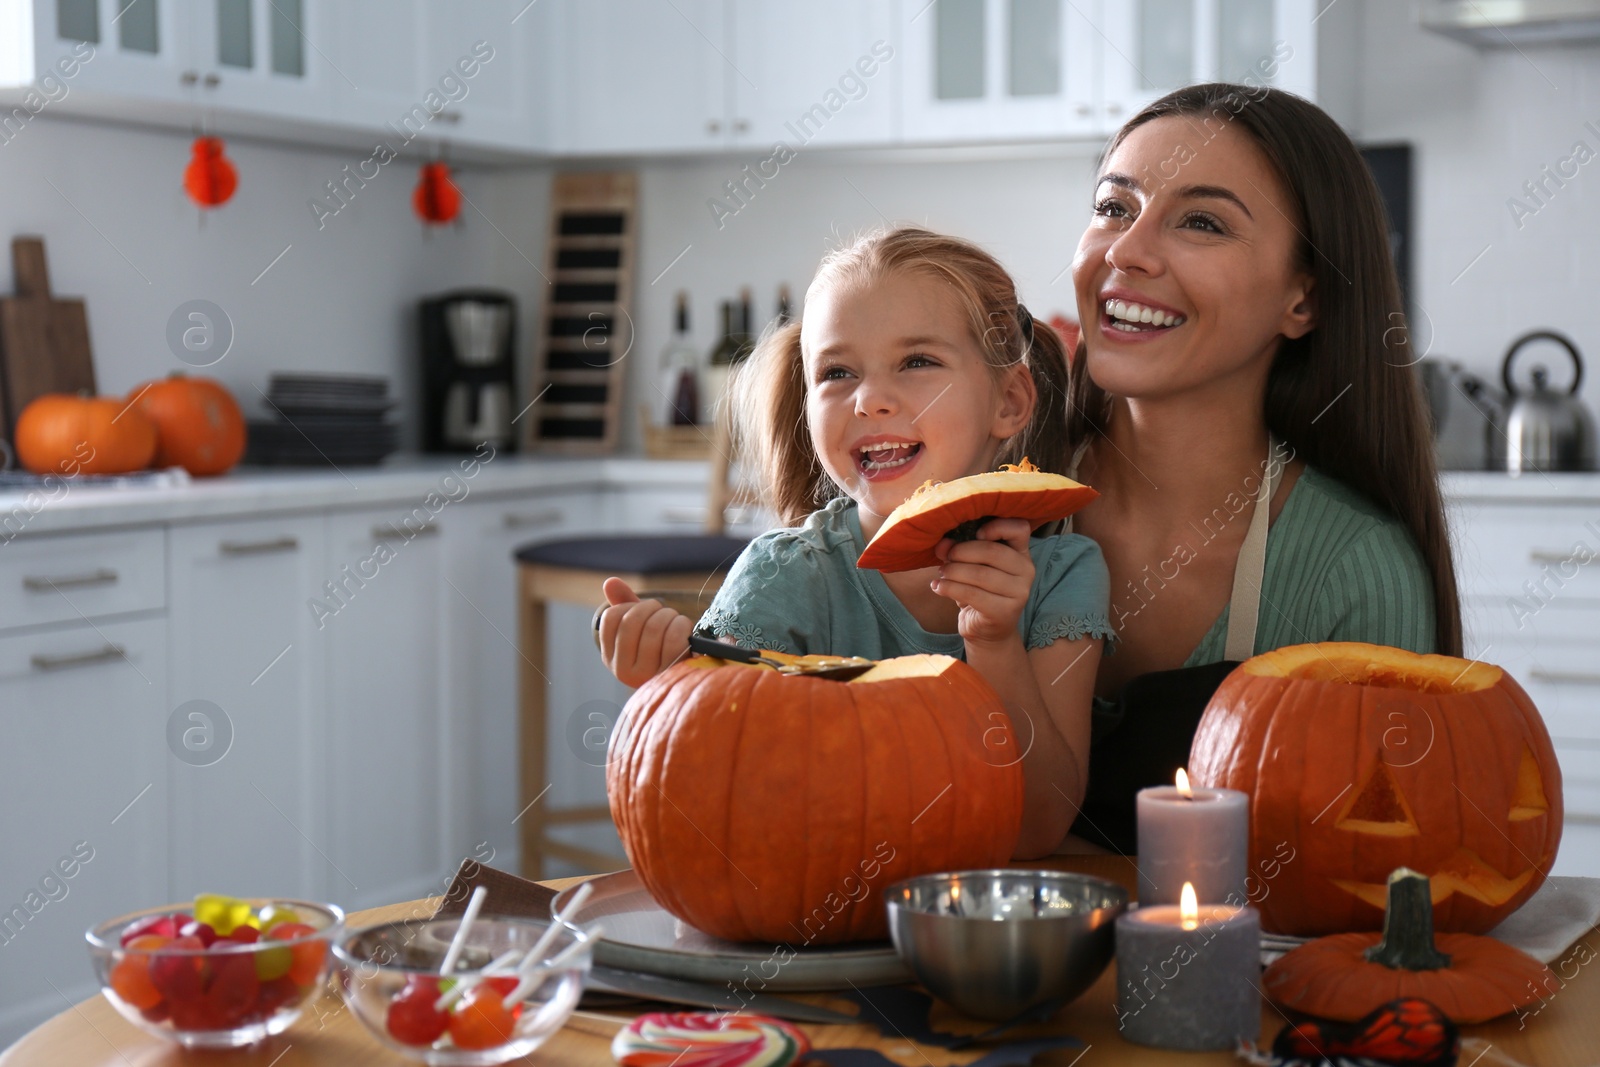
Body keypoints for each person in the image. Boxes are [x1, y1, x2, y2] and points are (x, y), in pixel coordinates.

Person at [598, 227, 1113, 859]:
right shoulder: (786, 576)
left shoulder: (1063, 574)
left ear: (1008, 402)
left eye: (917, 362)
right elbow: (727, 806)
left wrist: (995, 640)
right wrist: (670, 689)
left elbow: (1036, 828)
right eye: (837, 373)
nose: (869, 399)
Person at [1061, 82, 1463, 853]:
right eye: (1114, 207)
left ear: (1302, 301)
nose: (1127, 250)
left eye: (1201, 222)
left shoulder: (1354, 573)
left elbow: (1369, 868)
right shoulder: (984, 495)